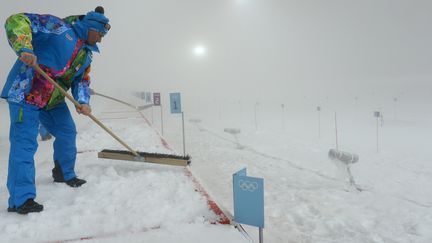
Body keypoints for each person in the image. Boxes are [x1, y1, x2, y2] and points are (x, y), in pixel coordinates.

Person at [2, 6, 110, 214]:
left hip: (53, 100)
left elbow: (82, 80)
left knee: (67, 132)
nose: (101, 39)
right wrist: (24, 48)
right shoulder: (58, 27)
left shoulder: (86, 55)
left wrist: (83, 101)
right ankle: (20, 199)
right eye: (100, 34)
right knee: (24, 144)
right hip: (27, 93)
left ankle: (63, 173)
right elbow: (16, 20)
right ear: (91, 27)